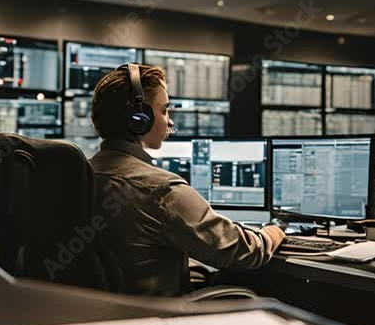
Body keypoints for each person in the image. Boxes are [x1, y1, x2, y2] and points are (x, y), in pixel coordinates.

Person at [88, 63, 285, 296]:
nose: (170, 122)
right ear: (139, 118)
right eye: (164, 110)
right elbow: (243, 251)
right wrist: (273, 232)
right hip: (157, 314)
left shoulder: (78, 176)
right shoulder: (161, 190)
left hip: (95, 312)